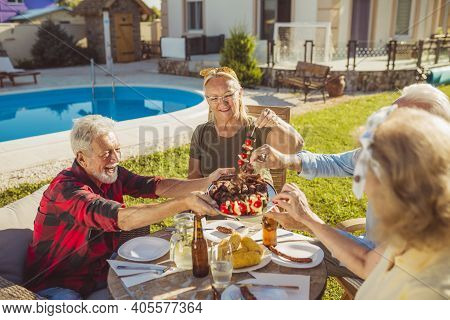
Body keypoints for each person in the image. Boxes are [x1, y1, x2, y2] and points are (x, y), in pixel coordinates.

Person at [250, 84, 450, 278]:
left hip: (376, 269)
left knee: (283, 260)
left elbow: (371, 263)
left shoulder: (430, 204)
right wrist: (285, 160)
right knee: (277, 253)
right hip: (365, 249)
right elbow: (335, 163)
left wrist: (308, 220)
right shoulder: (382, 154)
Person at [24, 115, 233, 300]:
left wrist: (208, 181)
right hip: (58, 283)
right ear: (81, 158)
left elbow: (155, 185)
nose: (115, 159)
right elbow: (123, 219)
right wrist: (184, 203)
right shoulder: (67, 191)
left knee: (170, 280)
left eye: (117, 150)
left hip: (103, 269)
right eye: (106, 153)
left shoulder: (109, 173)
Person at [188, 66, 303, 179]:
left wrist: (277, 122)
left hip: (255, 196)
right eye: (214, 98)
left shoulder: (258, 127)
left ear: (240, 94)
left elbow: (297, 146)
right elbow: (193, 179)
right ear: (207, 100)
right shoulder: (201, 132)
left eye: (228, 95)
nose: (222, 103)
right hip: (210, 197)